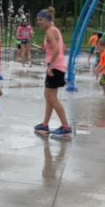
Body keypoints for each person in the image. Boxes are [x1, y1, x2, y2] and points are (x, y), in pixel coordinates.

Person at [34, 7, 72, 137]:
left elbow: (56, 50)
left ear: (48, 20)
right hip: (58, 66)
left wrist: (50, 66)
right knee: (49, 96)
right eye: (37, 20)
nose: (38, 22)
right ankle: (45, 124)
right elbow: (63, 47)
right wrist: (45, 47)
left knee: (51, 97)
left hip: (55, 68)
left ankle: (66, 126)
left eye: (41, 20)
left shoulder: (50, 31)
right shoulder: (54, 30)